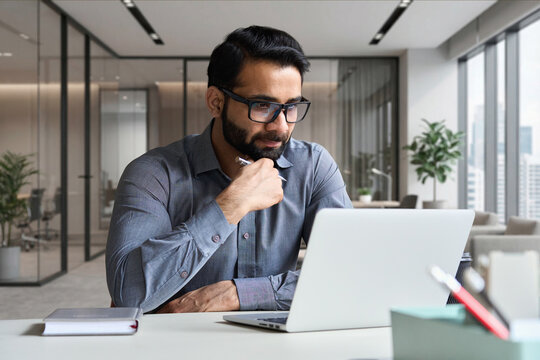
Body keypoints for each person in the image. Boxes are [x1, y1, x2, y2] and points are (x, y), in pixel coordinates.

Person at [106, 25, 352, 314]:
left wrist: (235, 295)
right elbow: (129, 294)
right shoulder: (153, 174)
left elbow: (351, 273)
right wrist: (230, 205)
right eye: (262, 106)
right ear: (216, 102)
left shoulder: (313, 166)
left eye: (291, 107)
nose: (282, 126)